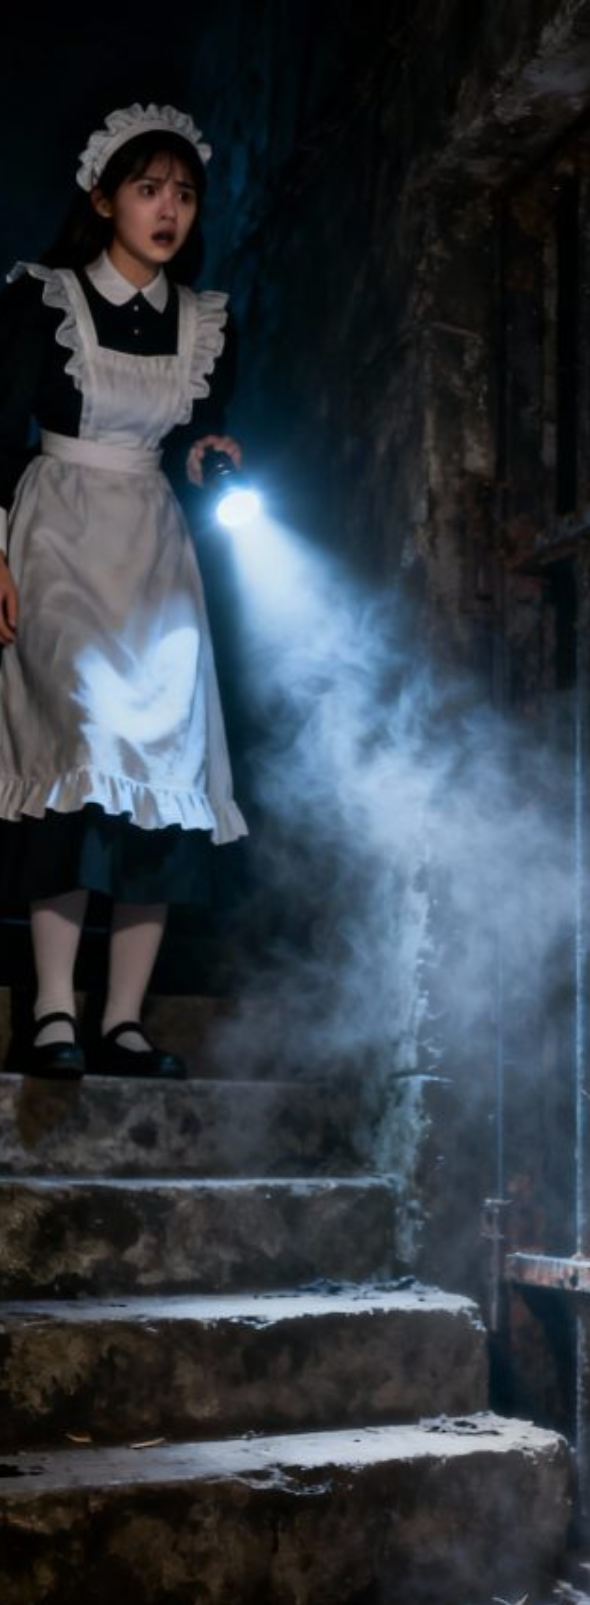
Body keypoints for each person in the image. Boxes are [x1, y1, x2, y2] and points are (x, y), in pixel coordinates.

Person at [0, 103, 248, 1079]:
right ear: (104, 200)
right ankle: (52, 1012)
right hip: (59, 529)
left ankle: (125, 1021)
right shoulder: (45, 297)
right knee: (80, 745)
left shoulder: (205, 322)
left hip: (153, 547)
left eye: (184, 193)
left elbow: (191, 439)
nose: (168, 209)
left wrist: (209, 454)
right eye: (148, 189)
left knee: (164, 771)